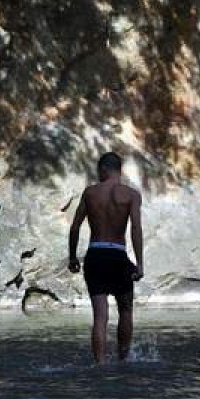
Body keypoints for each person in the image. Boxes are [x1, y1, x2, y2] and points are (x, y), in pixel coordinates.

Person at [68, 152, 144, 364]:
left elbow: (75, 227)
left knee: (100, 316)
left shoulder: (90, 193)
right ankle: (124, 360)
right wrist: (139, 263)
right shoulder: (131, 195)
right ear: (119, 171)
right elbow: (136, 229)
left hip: (96, 254)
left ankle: (100, 365)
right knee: (126, 310)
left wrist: (72, 257)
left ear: (103, 170)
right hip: (118, 255)